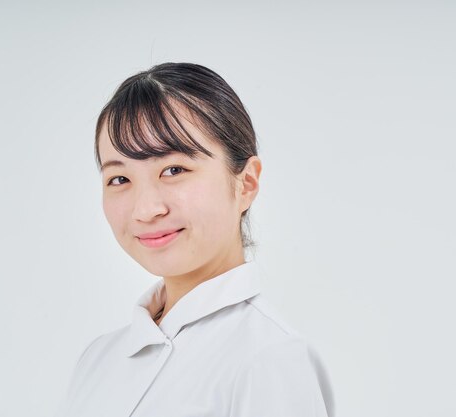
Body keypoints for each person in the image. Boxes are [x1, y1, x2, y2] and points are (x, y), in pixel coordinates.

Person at [54, 62, 336, 417]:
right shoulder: (97, 359)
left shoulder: (270, 358)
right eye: (119, 179)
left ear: (246, 182)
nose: (146, 209)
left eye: (174, 170)